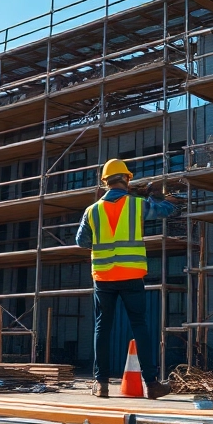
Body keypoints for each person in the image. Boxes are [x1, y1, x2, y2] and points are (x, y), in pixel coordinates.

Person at [75, 159, 181, 399]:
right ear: (126, 179)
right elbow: (169, 210)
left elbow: (81, 242)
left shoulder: (91, 211)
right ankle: (152, 384)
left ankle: (101, 384)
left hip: (103, 277)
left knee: (102, 327)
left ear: (104, 183)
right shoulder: (137, 205)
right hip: (131, 274)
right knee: (140, 327)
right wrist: (156, 197)